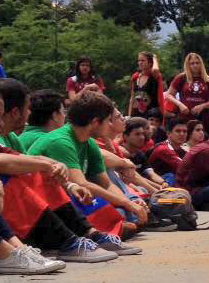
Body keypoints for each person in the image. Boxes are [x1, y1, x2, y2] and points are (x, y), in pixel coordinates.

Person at [0, 86, 136, 259]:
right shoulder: (60, 140)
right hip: (20, 208)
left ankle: (84, 235)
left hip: (30, 208)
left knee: (43, 174)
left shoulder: (4, 139)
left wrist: (66, 181)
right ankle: (60, 242)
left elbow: (105, 181)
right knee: (14, 177)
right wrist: (128, 203)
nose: (29, 113)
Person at [28, 91, 150, 230]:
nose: (110, 125)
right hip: (46, 206)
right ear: (95, 122)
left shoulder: (89, 142)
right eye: (108, 121)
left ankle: (114, 224)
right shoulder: (61, 141)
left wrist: (129, 202)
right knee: (119, 212)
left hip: (70, 200)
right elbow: (80, 183)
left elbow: (106, 184)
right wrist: (127, 204)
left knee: (124, 211)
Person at [128, 52, 165, 120]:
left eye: (143, 60)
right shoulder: (135, 77)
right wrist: (129, 115)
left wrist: (154, 58)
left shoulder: (154, 76)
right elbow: (132, 98)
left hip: (151, 115)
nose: (140, 63)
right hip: (137, 113)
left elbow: (155, 70)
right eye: (139, 61)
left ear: (150, 63)